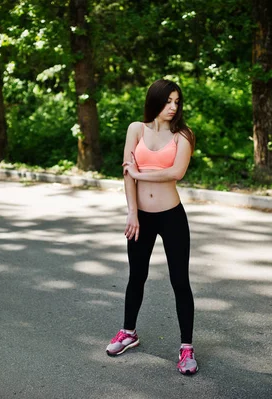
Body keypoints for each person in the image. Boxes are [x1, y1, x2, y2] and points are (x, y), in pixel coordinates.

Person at [105, 79, 198, 375]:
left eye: (176, 102)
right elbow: (127, 174)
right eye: (168, 101)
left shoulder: (183, 135)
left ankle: (186, 349)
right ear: (155, 100)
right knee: (137, 276)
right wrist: (132, 212)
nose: (173, 107)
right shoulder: (136, 129)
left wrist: (139, 173)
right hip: (141, 217)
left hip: (172, 215)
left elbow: (176, 173)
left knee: (179, 281)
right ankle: (128, 333)